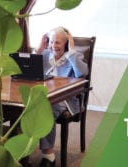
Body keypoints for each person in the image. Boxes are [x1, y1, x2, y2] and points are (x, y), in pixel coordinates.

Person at [35, 26, 88, 167]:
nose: (53, 46)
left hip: (68, 100)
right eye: (51, 42)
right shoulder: (45, 55)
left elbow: (82, 73)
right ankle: (23, 152)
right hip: (46, 96)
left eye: (57, 42)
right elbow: (31, 71)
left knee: (46, 108)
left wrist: (71, 52)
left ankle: (49, 156)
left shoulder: (74, 56)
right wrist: (39, 50)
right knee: (28, 106)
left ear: (65, 43)